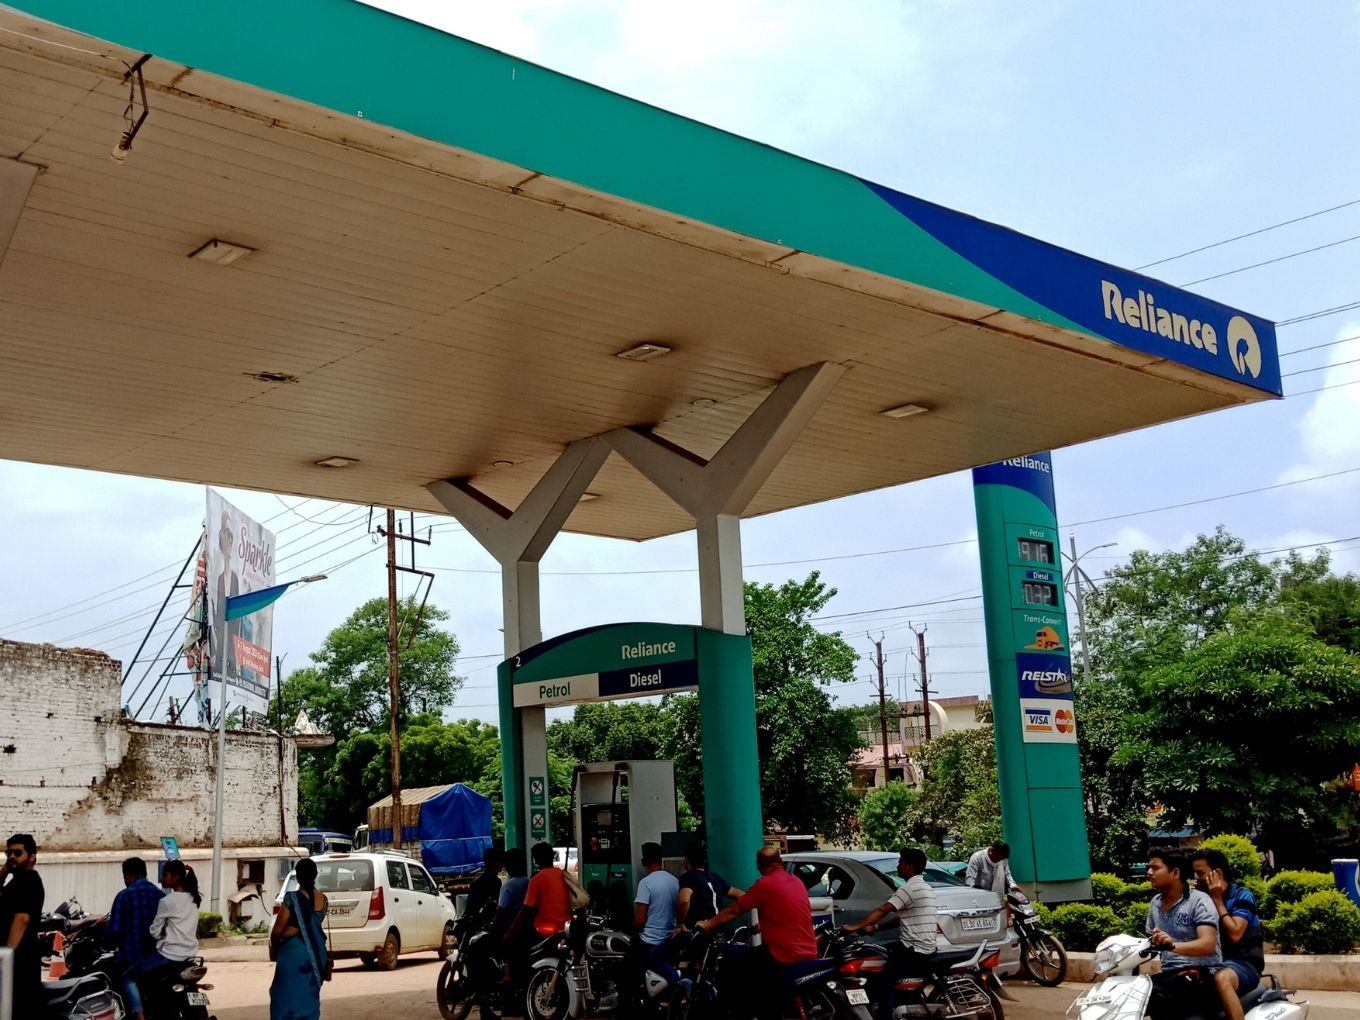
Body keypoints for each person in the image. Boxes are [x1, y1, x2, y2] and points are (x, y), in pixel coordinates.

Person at [696, 846, 818, 1020]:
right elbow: (787, 912)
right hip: (810, 952)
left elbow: (734, 910)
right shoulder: (796, 881)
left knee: (730, 965)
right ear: (780, 862)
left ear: (759, 865)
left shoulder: (765, 884)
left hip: (783, 954)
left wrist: (708, 924)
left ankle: (750, 1015)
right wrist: (764, 925)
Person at [842, 847, 937, 1018]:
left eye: (900, 863)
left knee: (883, 984)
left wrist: (854, 927)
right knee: (882, 952)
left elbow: (883, 909)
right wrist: (875, 928)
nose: (898, 866)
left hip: (913, 949)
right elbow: (903, 918)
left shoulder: (910, 888)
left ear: (909, 866)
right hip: (923, 946)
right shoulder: (925, 887)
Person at [1144, 849, 1221, 1020]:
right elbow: (1149, 943)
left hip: (1203, 973)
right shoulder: (1155, 903)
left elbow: (1208, 945)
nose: (1149, 872)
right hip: (1171, 974)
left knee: (1154, 992)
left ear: (1175, 872)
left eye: (1155, 868)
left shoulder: (1199, 901)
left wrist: (1171, 945)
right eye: (1148, 867)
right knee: (1135, 993)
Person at [123, 860, 202, 1020]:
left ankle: (140, 1016)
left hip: (168, 956)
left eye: (165, 875)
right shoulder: (194, 899)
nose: (161, 879)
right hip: (189, 956)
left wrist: (162, 931)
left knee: (128, 978)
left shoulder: (167, 901)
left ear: (175, 877)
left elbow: (154, 932)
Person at [1192, 849, 1264, 1020]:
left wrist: (1217, 900)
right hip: (1211, 962)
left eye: (1200, 873)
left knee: (1222, 978)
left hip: (1244, 964)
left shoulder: (1242, 895)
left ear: (1217, 873)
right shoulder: (1200, 899)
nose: (1196, 878)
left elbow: (1235, 934)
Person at [270, 857, 331, 1020]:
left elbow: (277, 931)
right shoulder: (323, 900)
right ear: (315, 875)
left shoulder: (292, 898)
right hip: (316, 956)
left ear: (297, 876)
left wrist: (275, 948)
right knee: (308, 998)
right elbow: (312, 926)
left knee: (284, 998)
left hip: (292, 957)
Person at [626, 842, 682, 1006]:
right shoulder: (675, 881)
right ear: (660, 860)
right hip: (669, 940)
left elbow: (639, 921)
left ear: (643, 862)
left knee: (626, 973)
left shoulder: (645, 883)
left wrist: (631, 929)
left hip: (648, 941)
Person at [1, 833, 44, 1018]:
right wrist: (5, 870)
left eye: (17, 853)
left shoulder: (29, 880)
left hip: (20, 962)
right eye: (8, 853)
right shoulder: (16, 881)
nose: (12, 856)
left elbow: (22, 920)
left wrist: (6, 956)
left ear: (32, 856)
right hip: (15, 961)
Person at [108, 857, 165, 980]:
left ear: (128, 875)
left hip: (130, 957)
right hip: (156, 958)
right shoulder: (161, 895)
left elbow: (114, 931)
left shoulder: (124, 896)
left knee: (121, 980)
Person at [676, 841, 742, 929]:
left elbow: (684, 901)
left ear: (686, 860)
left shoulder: (688, 877)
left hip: (699, 928)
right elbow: (740, 895)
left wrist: (680, 924)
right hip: (718, 927)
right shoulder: (715, 877)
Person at [463, 847, 504, 933]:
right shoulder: (494, 881)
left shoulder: (476, 882)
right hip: (482, 924)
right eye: (501, 861)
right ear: (495, 863)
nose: (502, 864)